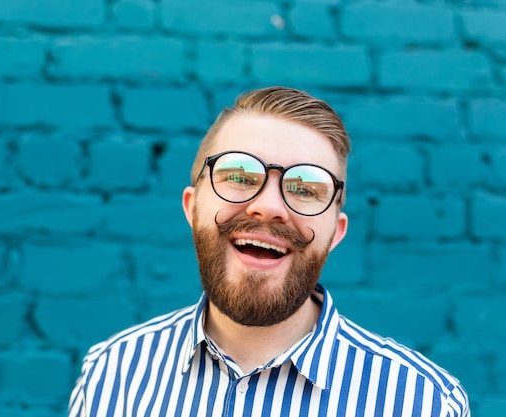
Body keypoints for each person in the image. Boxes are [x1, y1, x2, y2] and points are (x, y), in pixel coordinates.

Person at [68, 86, 470, 417]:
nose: (270, 206)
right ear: (192, 207)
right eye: (240, 176)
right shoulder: (111, 372)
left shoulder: (424, 403)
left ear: (335, 233)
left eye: (306, 189)